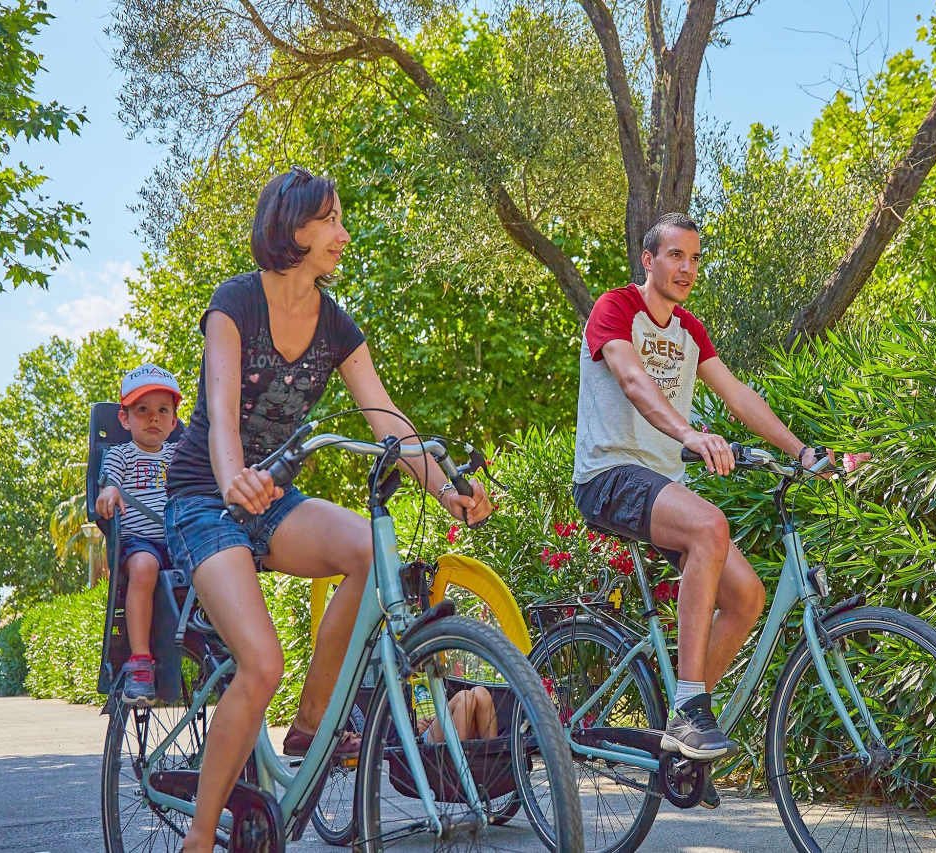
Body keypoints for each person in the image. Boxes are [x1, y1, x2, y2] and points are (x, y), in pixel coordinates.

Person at [165, 166, 493, 852]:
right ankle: (199, 838)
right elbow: (222, 419)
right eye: (333, 220)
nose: (344, 234)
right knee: (260, 664)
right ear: (293, 229)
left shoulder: (335, 323)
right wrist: (232, 480)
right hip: (205, 498)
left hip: (274, 500)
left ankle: (312, 722)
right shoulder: (235, 304)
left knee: (372, 548)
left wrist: (447, 487)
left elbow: (386, 420)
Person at [570, 212, 825, 760]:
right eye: (675, 256)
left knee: (747, 596)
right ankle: (689, 706)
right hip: (609, 475)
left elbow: (737, 394)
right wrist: (689, 433)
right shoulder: (615, 308)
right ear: (649, 259)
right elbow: (633, 380)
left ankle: (676, 732)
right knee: (709, 523)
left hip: (660, 484)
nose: (686, 268)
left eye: (694, 258)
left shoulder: (689, 330)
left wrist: (800, 452)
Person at [92, 364, 184, 702]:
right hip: (139, 543)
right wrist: (109, 492)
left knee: (216, 564)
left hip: (177, 543)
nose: (153, 418)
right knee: (145, 568)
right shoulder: (121, 454)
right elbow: (110, 482)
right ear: (125, 419)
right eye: (142, 410)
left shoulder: (178, 455)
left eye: (163, 411)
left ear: (174, 421)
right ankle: (140, 660)